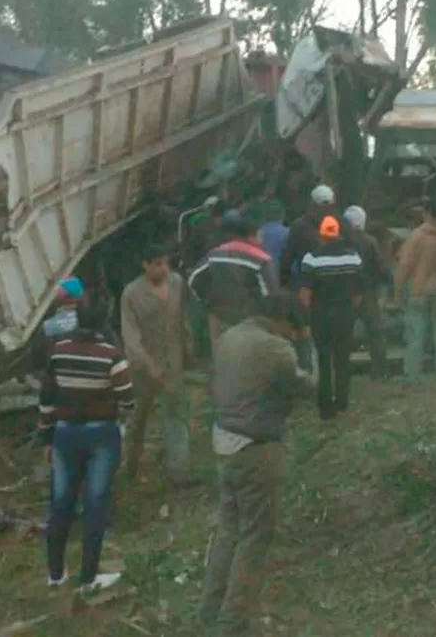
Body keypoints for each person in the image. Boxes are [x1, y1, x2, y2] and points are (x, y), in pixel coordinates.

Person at [200, 293, 316, 636]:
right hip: (257, 447)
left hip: (225, 440)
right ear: (283, 321)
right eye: (293, 329)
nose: (293, 335)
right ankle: (232, 622)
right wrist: (307, 345)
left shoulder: (229, 337)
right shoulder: (274, 348)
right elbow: (309, 385)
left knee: (229, 532)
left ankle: (210, 610)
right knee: (255, 538)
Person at [38, 304, 134, 598]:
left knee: (60, 504)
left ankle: (55, 574)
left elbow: (47, 397)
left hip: (65, 433)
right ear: (104, 322)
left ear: (78, 320)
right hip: (101, 435)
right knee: (95, 505)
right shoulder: (113, 357)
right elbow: (128, 400)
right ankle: (88, 577)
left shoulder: (58, 350)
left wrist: (46, 438)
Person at [120, 244, 194, 485]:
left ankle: (179, 472)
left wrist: (188, 346)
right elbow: (130, 336)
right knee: (137, 419)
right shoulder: (131, 294)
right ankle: (129, 467)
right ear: (145, 265)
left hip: (173, 363)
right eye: (158, 264)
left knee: (176, 416)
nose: (164, 268)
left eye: (166, 263)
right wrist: (147, 363)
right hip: (143, 369)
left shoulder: (176, 283)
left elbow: (182, 319)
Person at [299, 215, 364, 420]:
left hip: (322, 314)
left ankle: (326, 406)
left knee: (323, 357)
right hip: (345, 312)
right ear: (338, 234)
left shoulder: (312, 258)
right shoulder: (353, 257)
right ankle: (343, 401)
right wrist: (352, 311)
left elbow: (305, 294)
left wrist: (305, 318)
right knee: (343, 358)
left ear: (321, 234)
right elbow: (358, 292)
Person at [188, 214, 281, 349]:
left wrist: (208, 302)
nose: (261, 241)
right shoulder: (262, 260)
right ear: (250, 236)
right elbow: (271, 296)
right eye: (259, 236)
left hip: (219, 318)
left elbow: (193, 280)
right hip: (251, 322)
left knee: (222, 357)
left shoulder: (215, 254)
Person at [395, 195, 436, 383]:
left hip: (419, 291)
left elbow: (405, 266)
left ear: (427, 213)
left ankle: (412, 374)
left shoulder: (418, 236)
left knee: (416, 335)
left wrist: (398, 291)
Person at [343, 205, 391, 379]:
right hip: (367, 291)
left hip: (343, 293)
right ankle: (380, 370)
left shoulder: (337, 240)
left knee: (342, 333)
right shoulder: (369, 241)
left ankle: (341, 370)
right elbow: (381, 267)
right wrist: (387, 283)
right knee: (375, 333)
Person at [281, 184, 336, 286]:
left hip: (307, 284)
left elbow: (287, 258)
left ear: (312, 203)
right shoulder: (340, 225)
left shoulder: (299, 226)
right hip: (331, 285)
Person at [258, 200, 290, 268]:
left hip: (260, 269)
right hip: (280, 272)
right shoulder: (288, 232)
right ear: (283, 214)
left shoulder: (258, 232)